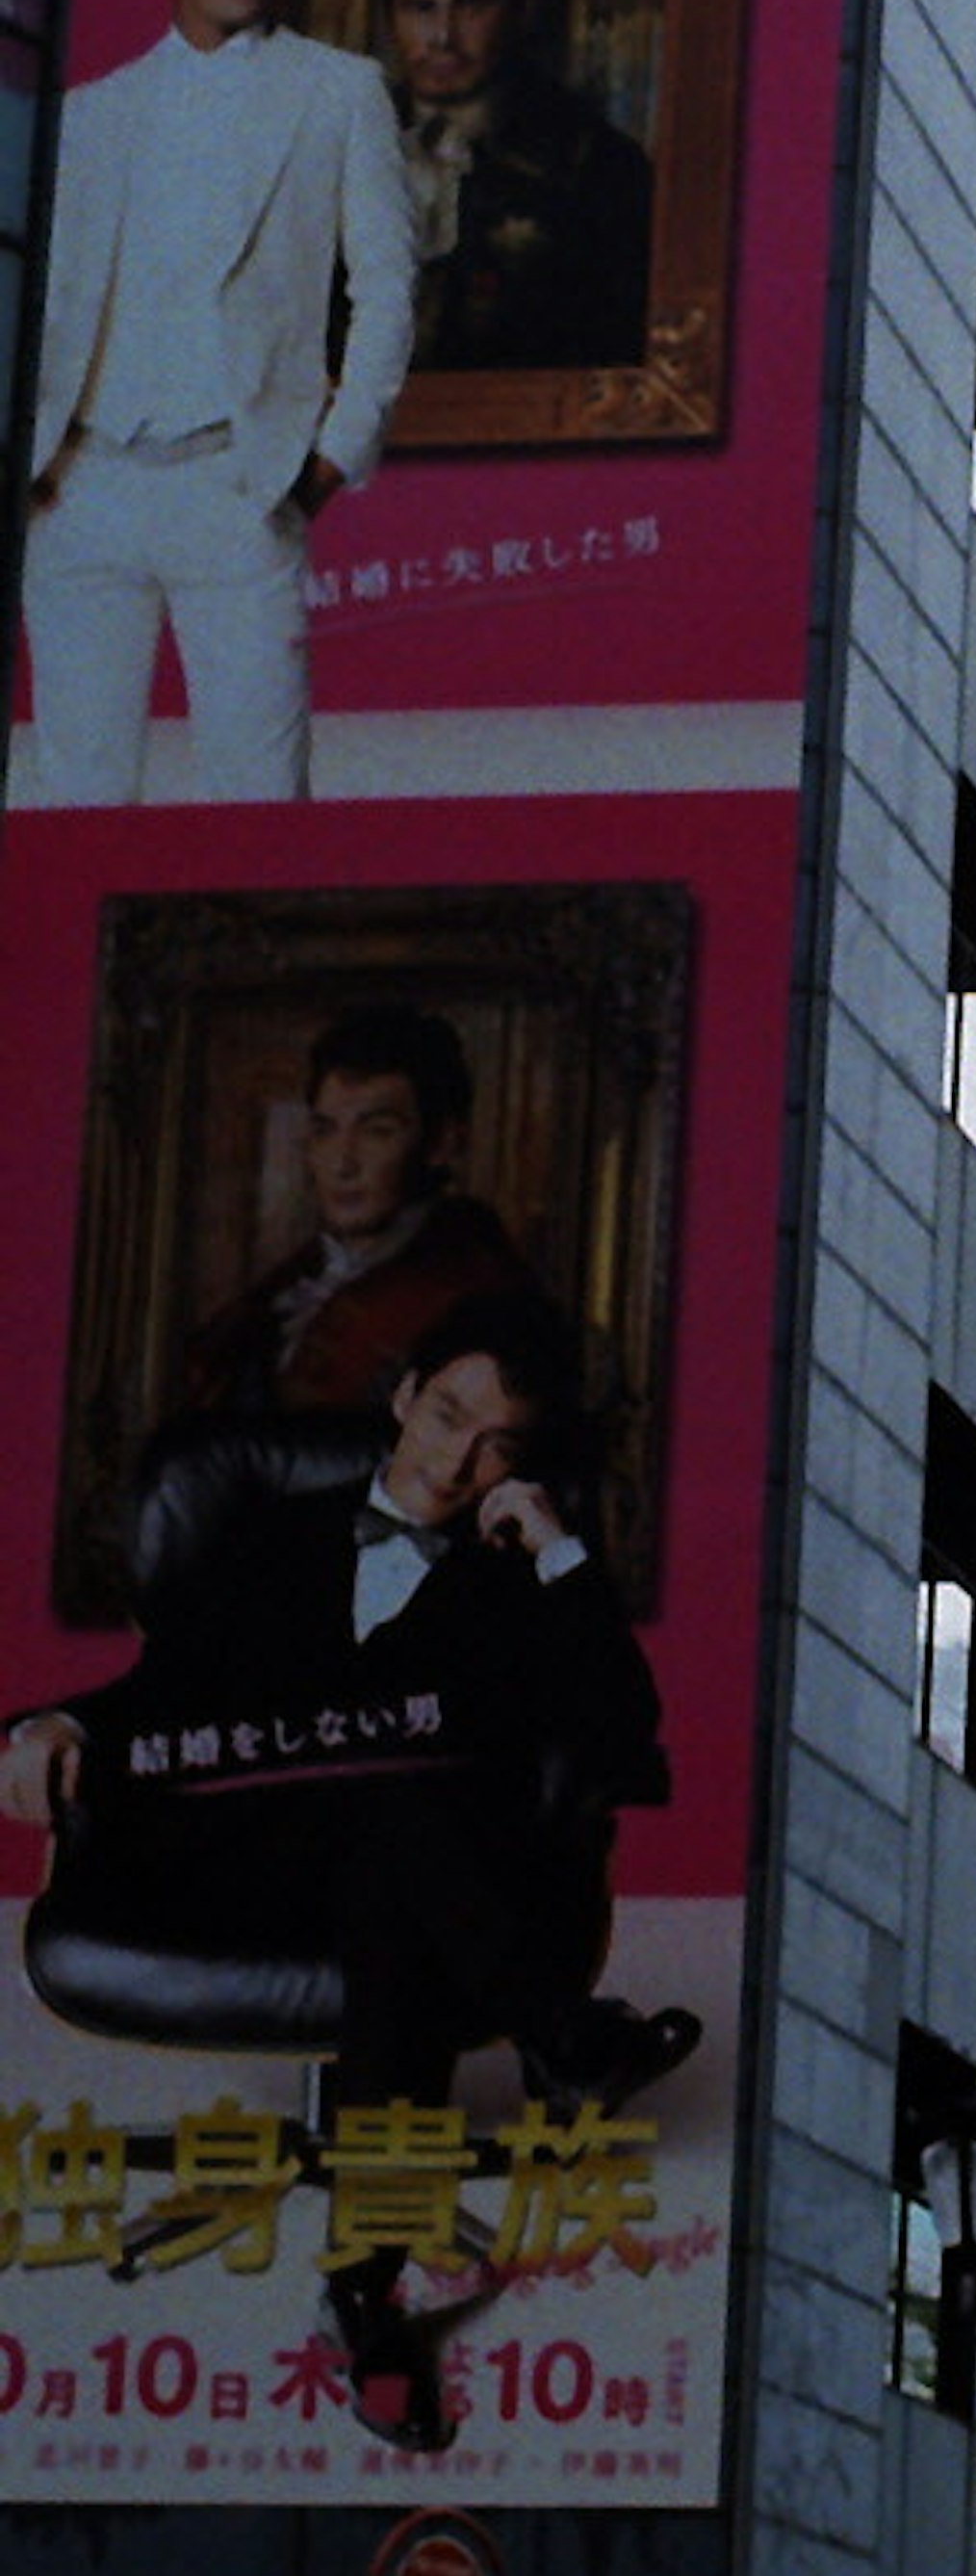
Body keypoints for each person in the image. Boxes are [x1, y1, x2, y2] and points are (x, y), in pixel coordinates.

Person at [0, 1296, 687, 2457]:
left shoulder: (527, 1574)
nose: (457, 1459)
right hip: (247, 1866)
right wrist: (51, 1723)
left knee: (394, 1887)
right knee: (398, 1835)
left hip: (416, 1890)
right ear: (406, 1398)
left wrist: (557, 1551)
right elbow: (169, 1692)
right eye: (447, 1416)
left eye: (496, 1447)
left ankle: (363, 2297)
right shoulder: (269, 1536)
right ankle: (561, 2037)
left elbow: (622, 1731)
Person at [19, 0, 416, 807]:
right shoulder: (90, 116)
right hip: (83, 488)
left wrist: (331, 455)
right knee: (79, 800)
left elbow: (388, 288)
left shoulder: (338, 90)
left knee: (258, 803)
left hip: (238, 483)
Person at [174, 1002, 537, 1418]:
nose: (342, 1164)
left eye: (376, 1132)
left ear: (441, 1145)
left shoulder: (475, 1292)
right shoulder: (286, 1287)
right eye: (325, 1131)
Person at [377, 0, 655, 372]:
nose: (442, 37)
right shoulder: (334, 151)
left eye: (471, 7)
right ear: (392, 16)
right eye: (420, 9)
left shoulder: (597, 168)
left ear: (520, 10)